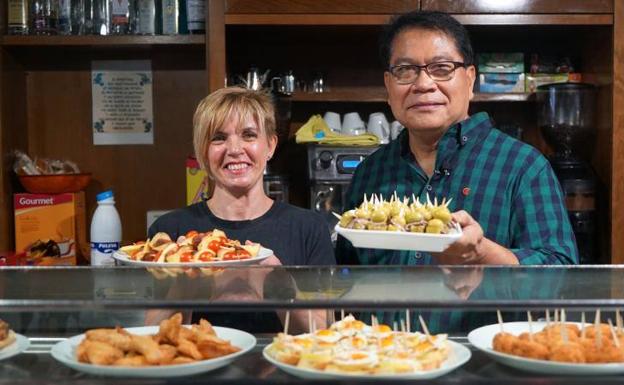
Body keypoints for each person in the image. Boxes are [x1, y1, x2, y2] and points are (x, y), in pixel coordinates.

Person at [336, 11, 578, 331]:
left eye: (442, 68)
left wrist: (482, 254)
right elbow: (347, 277)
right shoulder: (370, 172)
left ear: (470, 79)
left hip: (482, 368)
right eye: (405, 70)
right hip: (381, 363)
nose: (423, 84)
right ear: (388, 84)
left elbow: (561, 282)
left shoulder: (524, 166)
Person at [149, 86, 335, 333]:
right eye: (218, 137)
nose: (234, 149)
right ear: (202, 152)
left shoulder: (308, 228)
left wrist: (279, 285)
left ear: (270, 146)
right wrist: (184, 285)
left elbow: (326, 335)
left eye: (248, 135)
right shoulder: (170, 232)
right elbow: (152, 336)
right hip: (198, 368)